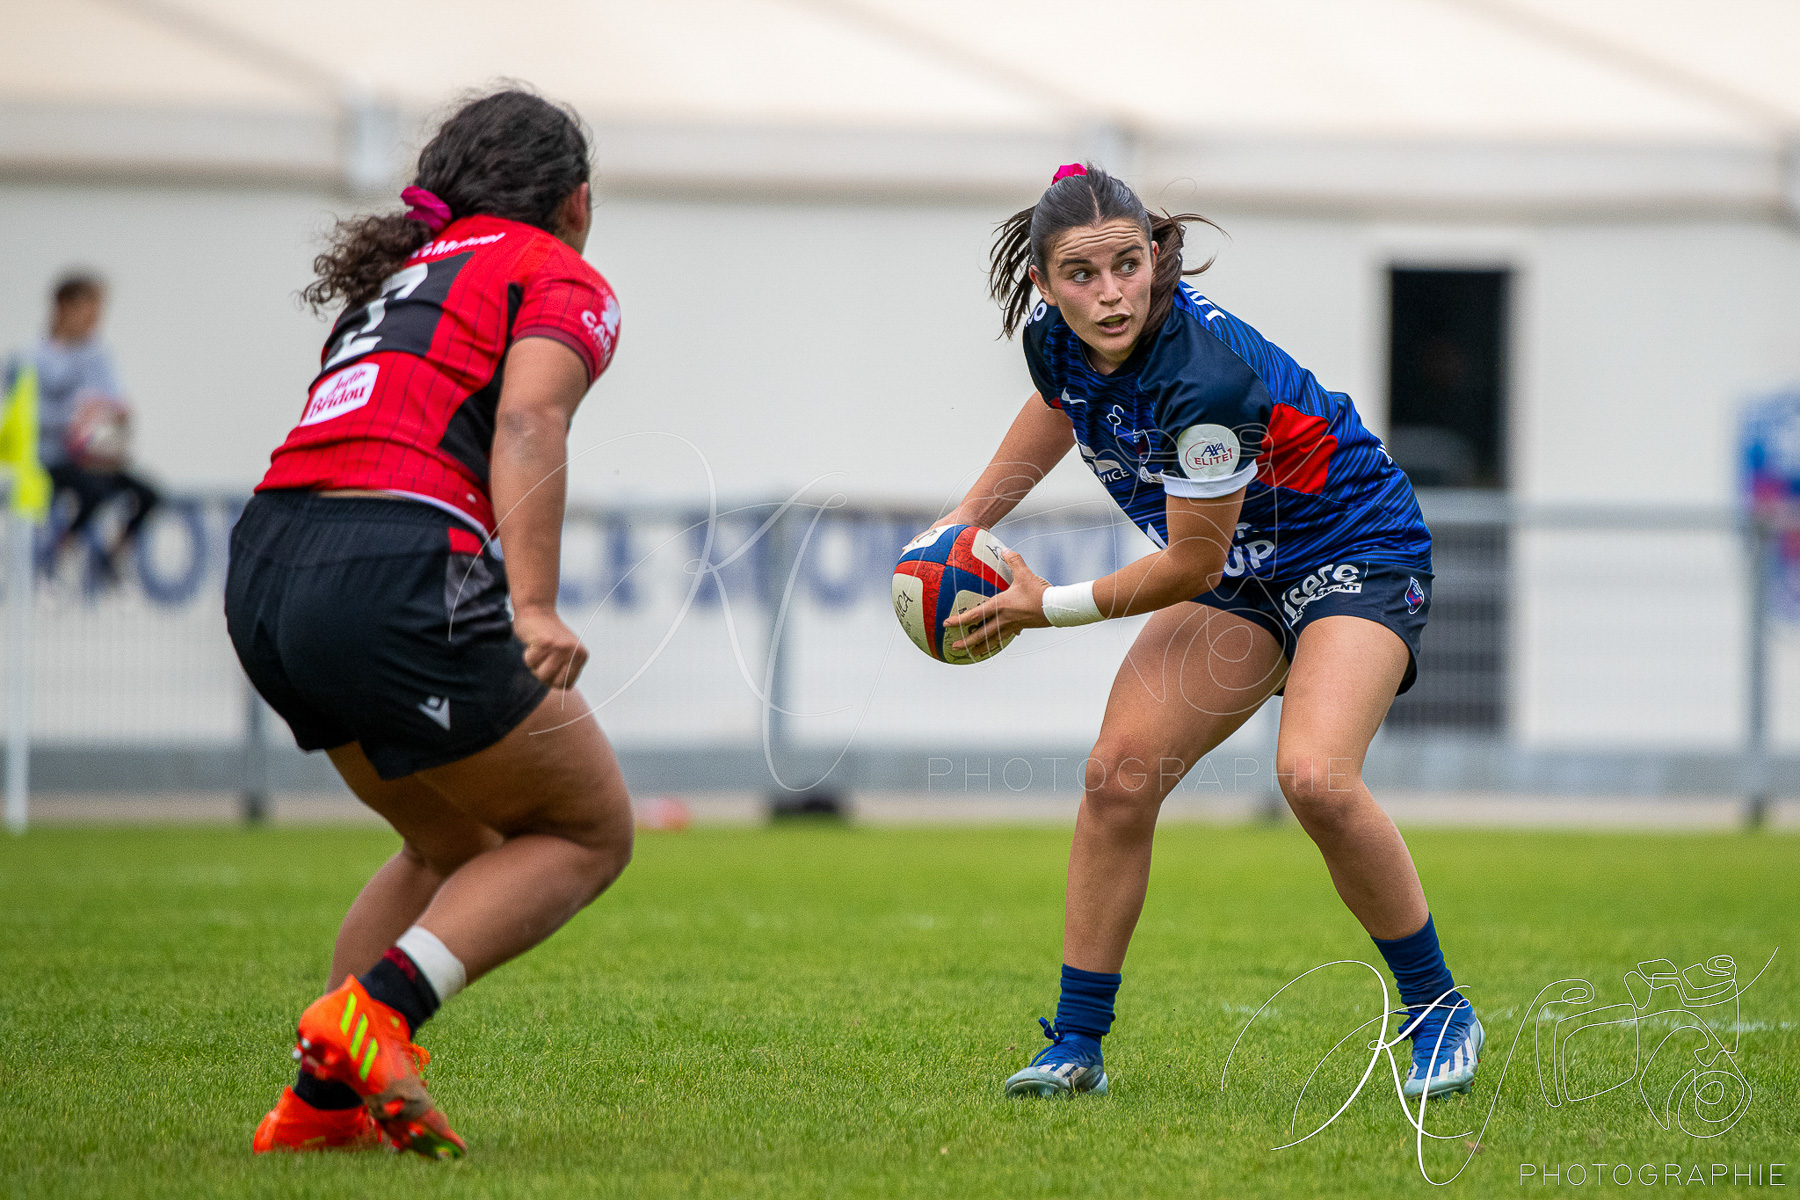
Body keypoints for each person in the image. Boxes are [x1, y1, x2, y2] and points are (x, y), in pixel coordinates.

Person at [935, 164, 1481, 1101]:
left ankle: (1439, 1011)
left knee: (1313, 777)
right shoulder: (1056, 343)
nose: (1109, 294)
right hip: (1245, 565)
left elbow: (1189, 566)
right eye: (1080, 273)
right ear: (1042, 282)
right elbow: (1060, 407)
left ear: (1156, 255)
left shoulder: (1204, 380)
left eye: (1127, 264)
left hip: (1354, 546)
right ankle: (1075, 1047)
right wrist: (958, 529)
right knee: (1118, 776)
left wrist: (1046, 605)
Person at [227, 89, 631, 1159]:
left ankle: (319, 1110)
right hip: (393, 568)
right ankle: (372, 1016)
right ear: (576, 202)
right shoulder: (556, 270)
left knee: (450, 839)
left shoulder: (408, 271)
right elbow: (532, 416)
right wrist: (532, 603)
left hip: (265, 567)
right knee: (587, 830)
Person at [1, 272, 160, 579]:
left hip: (92, 457)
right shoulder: (28, 358)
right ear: (63, 307)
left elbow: (115, 404)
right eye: (89, 310)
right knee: (94, 492)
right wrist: (75, 418)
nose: (94, 320)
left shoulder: (99, 354)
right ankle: (60, 551)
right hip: (51, 457)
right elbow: (20, 416)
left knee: (149, 495)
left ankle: (114, 557)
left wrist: (113, 419)